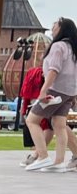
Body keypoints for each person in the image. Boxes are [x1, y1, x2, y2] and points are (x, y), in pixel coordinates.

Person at [23, 17, 77, 172]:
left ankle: (42, 156)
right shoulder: (73, 48)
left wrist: (43, 90)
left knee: (32, 120)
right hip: (69, 92)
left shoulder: (58, 46)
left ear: (61, 29)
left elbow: (54, 70)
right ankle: (59, 162)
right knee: (59, 125)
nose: (52, 28)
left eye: (55, 25)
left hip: (54, 90)